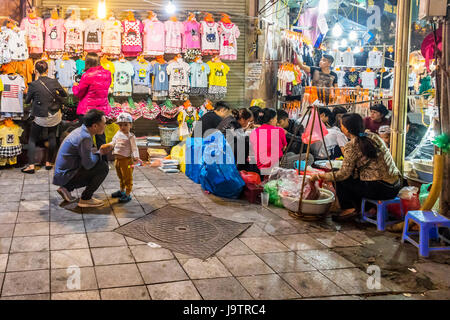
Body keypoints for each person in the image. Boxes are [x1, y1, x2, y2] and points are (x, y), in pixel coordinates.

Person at [310, 113, 402, 221]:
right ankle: (368, 208)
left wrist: (318, 176)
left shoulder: (352, 145)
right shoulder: (373, 136)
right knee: (352, 178)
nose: (341, 127)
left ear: (347, 130)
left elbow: (342, 174)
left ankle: (349, 209)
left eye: (342, 126)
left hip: (380, 189)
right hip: (395, 186)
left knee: (339, 178)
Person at [53, 109, 110, 208]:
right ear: (95, 126)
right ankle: (86, 199)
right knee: (103, 167)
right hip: (64, 175)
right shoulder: (85, 137)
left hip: (62, 172)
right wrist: (100, 152)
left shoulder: (82, 130)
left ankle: (66, 188)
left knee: (97, 161)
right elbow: (88, 164)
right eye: (104, 124)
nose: (105, 126)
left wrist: (96, 153)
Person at [22, 60, 67, 174]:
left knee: (32, 139)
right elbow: (64, 94)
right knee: (52, 136)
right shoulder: (54, 82)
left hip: (40, 117)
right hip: (54, 115)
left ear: (36, 71)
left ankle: (31, 165)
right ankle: (49, 163)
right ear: (47, 70)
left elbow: (27, 101)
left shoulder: (33, 85)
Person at [72, 52, 111, 150]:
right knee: (101, 136)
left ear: (87, 62)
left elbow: (79, 94)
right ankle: (103, 161)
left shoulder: (87, 75)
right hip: (101, 110)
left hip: (87, 111)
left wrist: (75, 87)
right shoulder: (107, 74)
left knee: (85, 137)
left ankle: (86, 161)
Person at [100, 113, 142, 203]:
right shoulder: (118, 133)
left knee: (127, 177)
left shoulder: (131, 137)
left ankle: (127, 193)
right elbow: (113, 142)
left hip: (127, 162)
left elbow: (134, 148)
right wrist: (109, 145)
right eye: (120, 125)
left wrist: (136, 157)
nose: (123, 127)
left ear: (130, 125)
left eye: (126, 125)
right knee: (120, 176)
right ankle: (122, 190)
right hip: (117, 160)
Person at [250, 108, 287, 174]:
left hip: (259, 167)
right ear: (271, 120)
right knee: (309, 157)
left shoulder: (254, 132)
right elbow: (284, 148)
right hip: (274, 167)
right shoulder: (279, 130)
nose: (276, 121)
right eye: (276, 118)